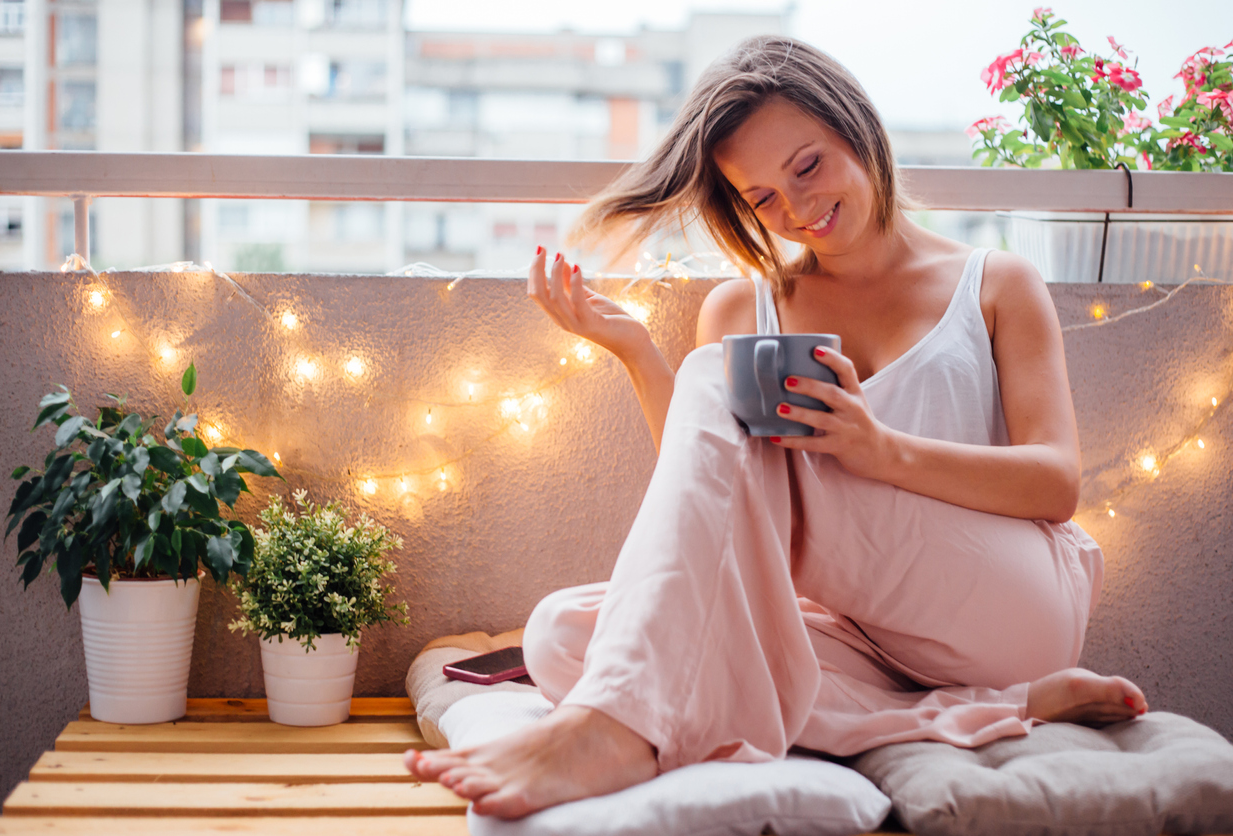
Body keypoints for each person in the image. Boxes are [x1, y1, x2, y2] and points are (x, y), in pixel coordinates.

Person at [405, 36, 1148, 819]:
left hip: (1005, 602)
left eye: (807, 166)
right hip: (861, 630)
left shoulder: (995, 283)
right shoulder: (740, 307)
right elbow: (717, 495)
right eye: (761, 197)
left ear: (857, 129)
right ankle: (1003, 706)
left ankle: (619, 726)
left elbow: (1055, 483)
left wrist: (879, 450)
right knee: (559, 635)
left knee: (704, 420)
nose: (796, 210)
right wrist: (636, 352)